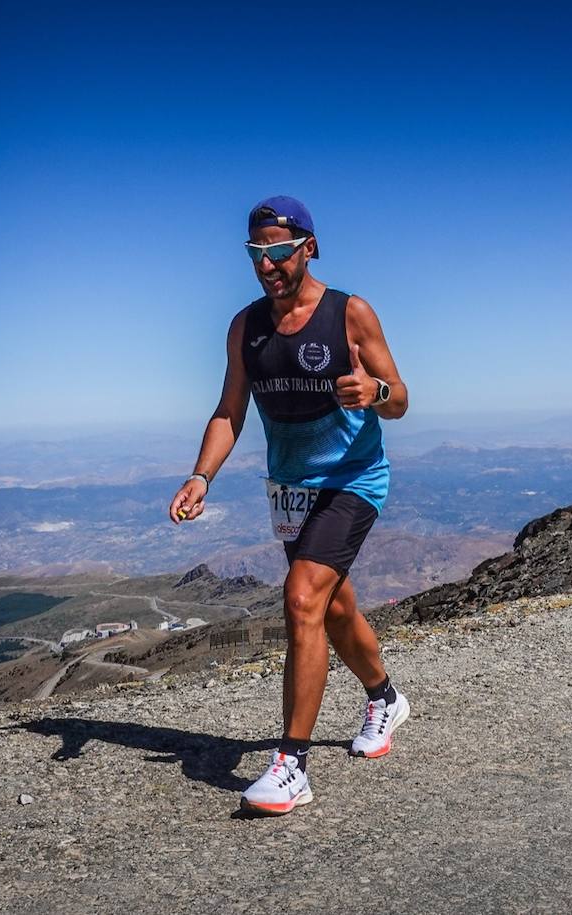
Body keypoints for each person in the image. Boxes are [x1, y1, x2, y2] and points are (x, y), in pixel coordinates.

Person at [168, 196, 410, 816]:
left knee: (302, 596)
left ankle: (290, 765)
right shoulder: (245, 327)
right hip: (290, 487)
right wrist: (202, 477)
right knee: (332, 605)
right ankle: (384, 697)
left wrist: (374, 390)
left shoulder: (349, 313)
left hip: (353, 477)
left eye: (278, 250)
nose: (267, 264)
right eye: (256, 253)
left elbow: (401, 398)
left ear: (309, 247)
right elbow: (230, 410)